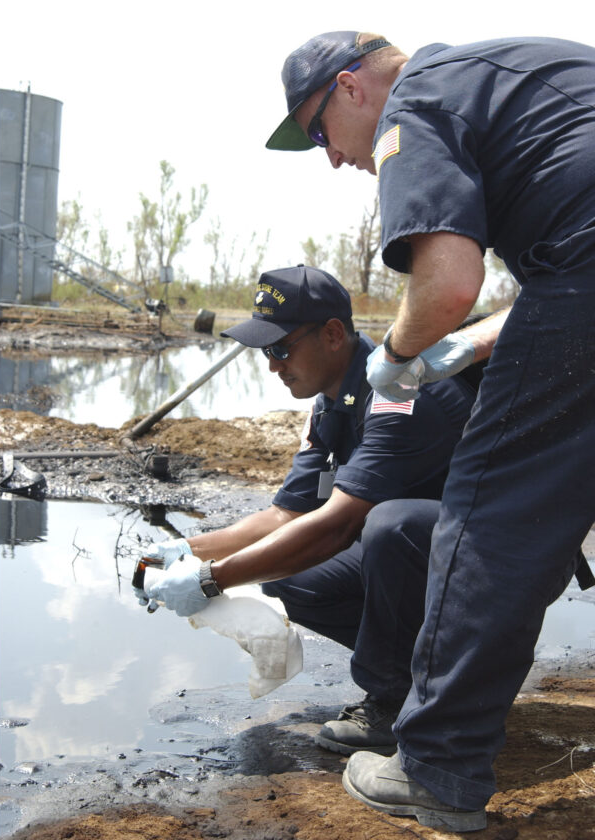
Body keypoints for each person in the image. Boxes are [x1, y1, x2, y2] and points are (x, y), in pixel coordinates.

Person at [266, 31, 595, 832]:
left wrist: (403, 354)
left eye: (317, 132)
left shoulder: (415, 104)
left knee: (488, 522)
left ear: (350, 87)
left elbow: (447, 284)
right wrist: (478, 342)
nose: (333, 158)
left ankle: (436, 764)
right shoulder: (522, 70)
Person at [139, 263, 502, 757]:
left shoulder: (400, 392)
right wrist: (183, 549)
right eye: (265, 351)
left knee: (386, 526)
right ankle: (439, 678)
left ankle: (400, 696)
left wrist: (209, 579)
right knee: (289, 576)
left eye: (281, 348)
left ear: (333, 334)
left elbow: (337, 525)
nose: (273, 365)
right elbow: (286, 515)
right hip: (436, 556)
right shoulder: (332, 401)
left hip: (492, 563)